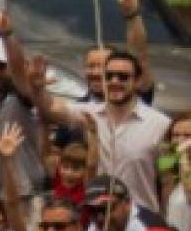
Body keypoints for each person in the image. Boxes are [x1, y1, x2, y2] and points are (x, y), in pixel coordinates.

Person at [32, 49, 170, 212]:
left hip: (142, 220)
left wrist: (167, 222)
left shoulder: (161, 124)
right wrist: (38, 89)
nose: (114, 81)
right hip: (98, 218)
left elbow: (168, 180)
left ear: (138, 81)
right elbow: (49, 109)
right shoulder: (91, 115)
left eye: (123, 77)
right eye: (109, 76)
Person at [0, 15, 46, 210]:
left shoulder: (22, 98)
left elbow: (20, 72)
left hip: (22, 197)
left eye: (0, 66)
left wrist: (7, 36)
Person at [159, 111, 191, 231]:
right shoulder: (174, 170)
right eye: (176, 135)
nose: (180, 140)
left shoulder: (184, 167)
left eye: (188, 135)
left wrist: (183, 157)